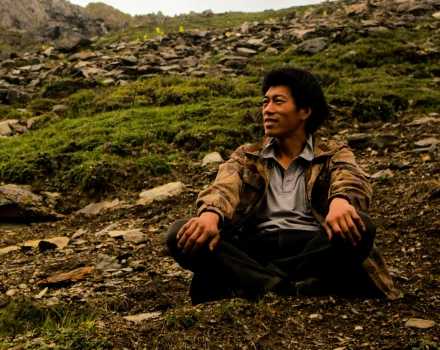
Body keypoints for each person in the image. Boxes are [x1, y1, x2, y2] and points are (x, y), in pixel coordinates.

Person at [166, 67, 399, 304]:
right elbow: (223, 187)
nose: (268, 110)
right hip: (255, 247)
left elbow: (351, 178)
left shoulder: (332, 152)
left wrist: (341, 202)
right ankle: (285, 285)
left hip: (310, 246)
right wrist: (210, 215)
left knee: (362, 227)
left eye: (278, 101)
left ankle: (257, 282)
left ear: (305, 111)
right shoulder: (247, 156)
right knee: (179, 233)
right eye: (265, 102)